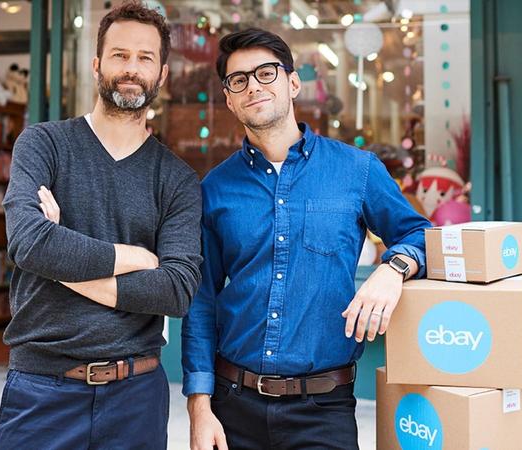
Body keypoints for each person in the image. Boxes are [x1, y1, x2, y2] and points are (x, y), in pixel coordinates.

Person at [182, 28, 431, 450]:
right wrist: (199, 409)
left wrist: (394, 268)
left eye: (266, 73)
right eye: (238, 80)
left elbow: (421, 234)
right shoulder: (215, 189)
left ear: (293, 83)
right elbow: (201, 303)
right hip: (233, 405)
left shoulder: (357, 170)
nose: (253, 86)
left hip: (324, 409)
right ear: (228, 98)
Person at [0, 3, 202, 449]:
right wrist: (135, 258)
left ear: (162, 74)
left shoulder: (177, 179)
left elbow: (176, 290)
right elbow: (28, 243)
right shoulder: (43, 144)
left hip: (136, 394)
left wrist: (58, 259)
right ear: (96, 65)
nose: (132, 68)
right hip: (41, 390)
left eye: (145, 58)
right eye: (119, 55)